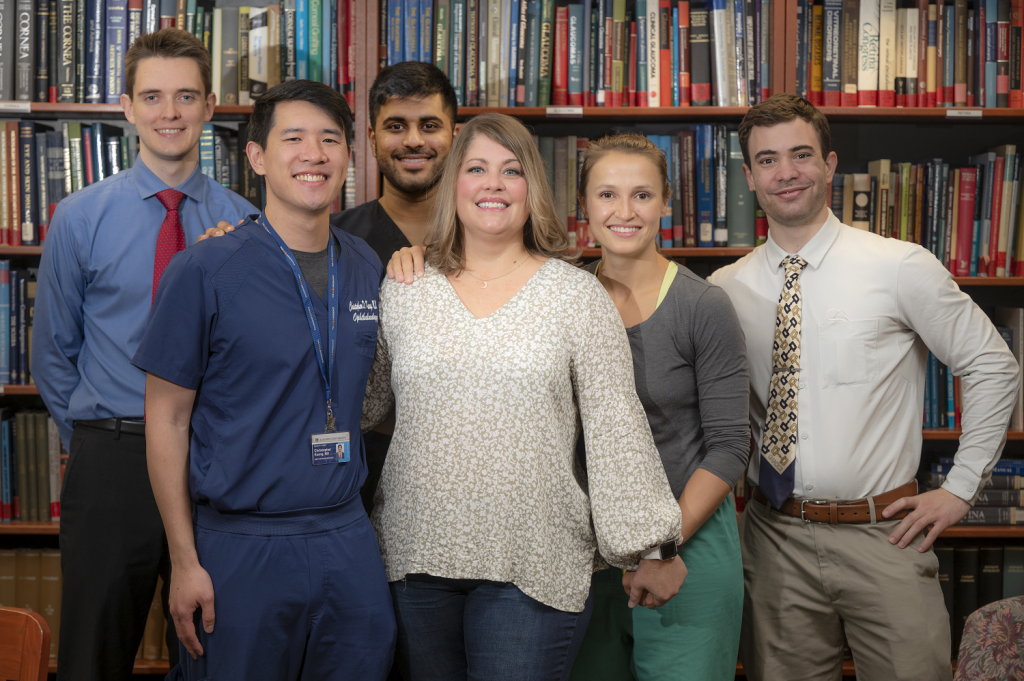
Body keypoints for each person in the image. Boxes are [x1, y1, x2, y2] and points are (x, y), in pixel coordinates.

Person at [360, 113, 686, 681]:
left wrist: (652, 547)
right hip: (415, 557)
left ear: (531, 186)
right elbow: (364, 404)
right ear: (453, 183)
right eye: (477, 168)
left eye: (511, 171)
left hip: (533, 561)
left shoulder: (576, 295)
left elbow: (616, 428)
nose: (493, 184)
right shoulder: (405, 287)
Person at [707, 93, 1021, 680]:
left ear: (829, 165)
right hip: (774, 539)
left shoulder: (899, 266)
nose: (787, 172)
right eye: (768, 160)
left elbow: (992, 364)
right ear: (749, 177)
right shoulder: (724, 289)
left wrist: (961, 488)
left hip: (887, 537)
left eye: (801, 155)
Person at [132, 80, 395, 680]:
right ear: (256, 158)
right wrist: (184, 560)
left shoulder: (364, 265)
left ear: (348, 158)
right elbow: (166, 420)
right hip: (241, 543)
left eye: (331, 139)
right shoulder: (204, 268)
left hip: (345, 532)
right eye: (294, 138)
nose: (315, 153)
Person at [31, 28, 258, 681]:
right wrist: (101, 441)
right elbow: (53, 353)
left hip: (212, 461)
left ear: (210, 105)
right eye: (153, 96)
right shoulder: (79, 217)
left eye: (186, 96)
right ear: (127, 107)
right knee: (94, 652)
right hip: (114, 456)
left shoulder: (245, 223)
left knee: (216, 647)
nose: (170, 113)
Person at [207, 60, 459, 513]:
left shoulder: (488, 239)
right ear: (368, 139)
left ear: (455, 136)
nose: (414, 140)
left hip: (471, 460)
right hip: (351, 462)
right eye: (396, 126)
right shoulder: (333, 239)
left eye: (430, 125)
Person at [568, 133, 749, 681]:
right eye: (607, 195)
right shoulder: (559, 295)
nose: (624, 212)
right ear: (584, 206)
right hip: (583, 551)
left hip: (683, 544)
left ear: (667, 202)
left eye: (642, 195)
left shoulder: (703, 305)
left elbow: (729, 447)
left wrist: (660, 546)